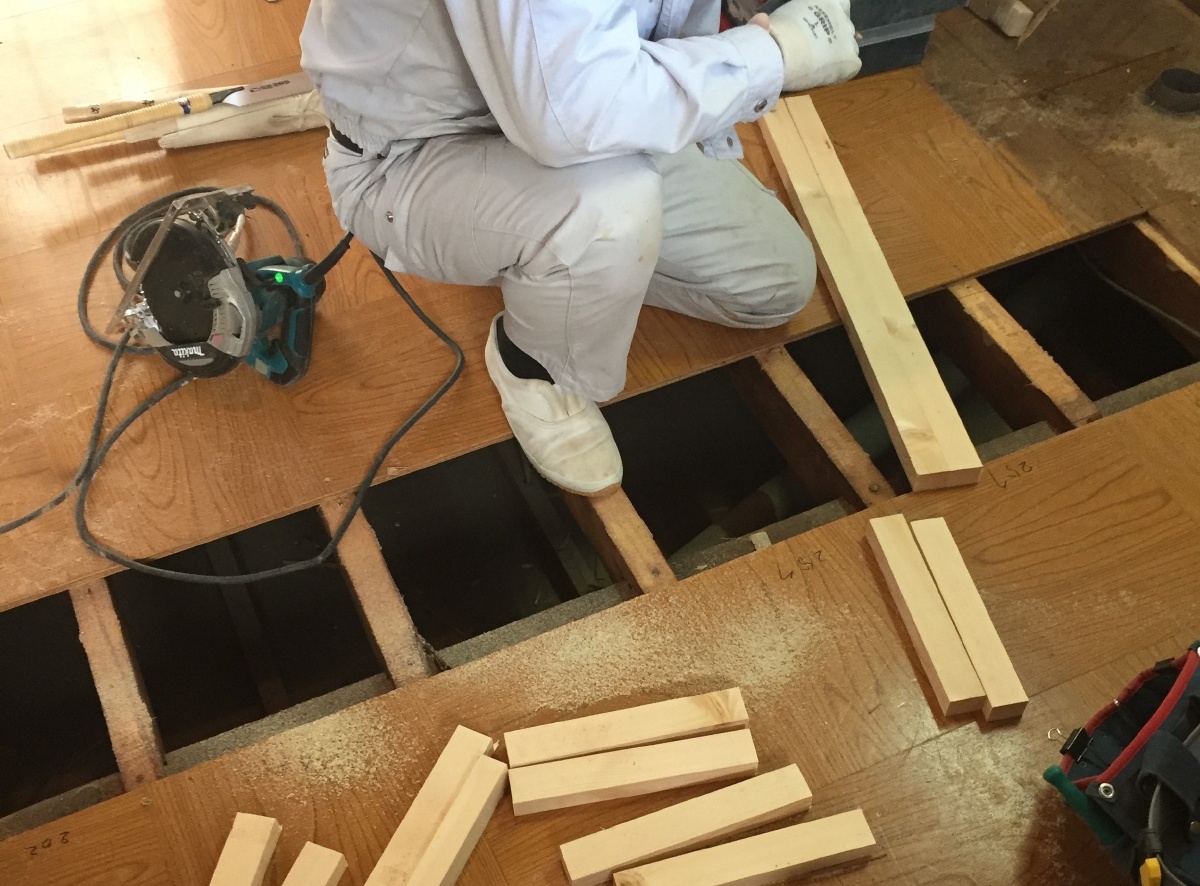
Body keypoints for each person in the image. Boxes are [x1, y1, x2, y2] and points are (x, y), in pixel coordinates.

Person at [300, 0, 861, 496]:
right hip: (415, 154)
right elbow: (568, 116)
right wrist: (774, 55)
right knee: (613, 208)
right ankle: (535, 365)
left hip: (583, 104)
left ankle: (552, 264)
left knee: (773, 283)